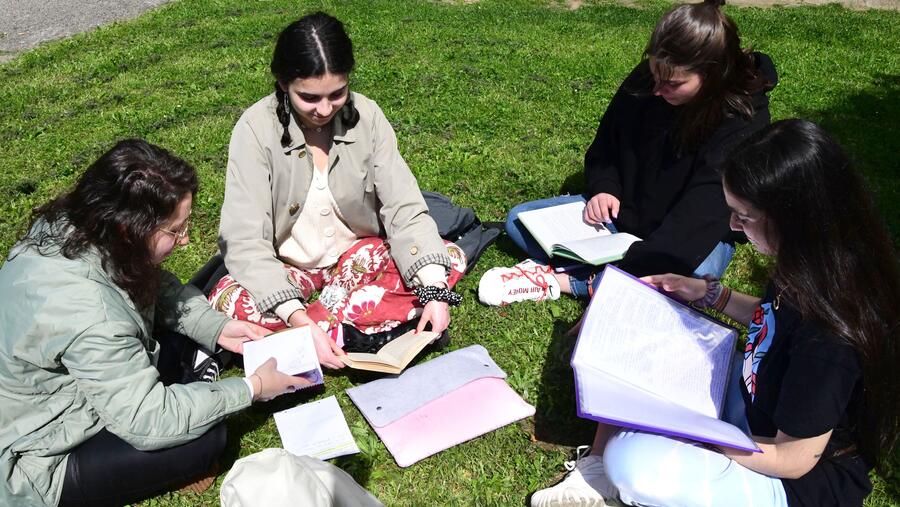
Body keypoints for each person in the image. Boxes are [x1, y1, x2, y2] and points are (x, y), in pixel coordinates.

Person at [530, 119, 900, 507]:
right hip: (754, 405)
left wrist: (701, 436)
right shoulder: (809, 261)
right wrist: (710, 295)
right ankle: (598, 465)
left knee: (634, 464)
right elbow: (777, 321)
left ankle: (612, 463)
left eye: (744, 216)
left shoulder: (831, 336)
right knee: (646, 339)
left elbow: (792, 460)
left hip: (791, 482)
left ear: (793, 217)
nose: (732, 225)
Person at [0, 139, 310, 507]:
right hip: (36, 454)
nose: (186, 239)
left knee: (185, 349)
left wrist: (217, 328)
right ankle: (194, 375)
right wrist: (252, 388)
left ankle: (194, 368)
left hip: (66, 384)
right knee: (206, 437)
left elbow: (148, 282)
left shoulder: (76, 224)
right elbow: (148, 422)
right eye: (175, 230)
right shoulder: (91, 313)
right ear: (128, 230)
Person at [480, 0, 776, 306]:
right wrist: (604, 187)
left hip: (691, 233)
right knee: (520, 220)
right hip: (622, 219)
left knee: (694, 275)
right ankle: (618, 276)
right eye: (654, 76)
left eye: (673, 84)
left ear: (712, 73)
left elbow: (701, 214)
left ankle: (573, 282)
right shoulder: (653, 77)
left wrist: (632, 273)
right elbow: (608, 141)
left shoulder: (744, 118)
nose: (658, 90)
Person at [212, 12, 466, 370]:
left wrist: (436, 293)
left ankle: (309, 338)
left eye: (337, 94)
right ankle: (341, 327)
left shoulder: (368, 116)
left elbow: (403, 207)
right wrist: (296, 314)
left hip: (359, 259)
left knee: (445, 259)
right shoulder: (255, 129)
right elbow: (243, 238)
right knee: (228, 298)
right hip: (288, 269)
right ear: (283, 83)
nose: (325, 109)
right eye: (309, 98)